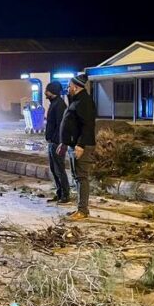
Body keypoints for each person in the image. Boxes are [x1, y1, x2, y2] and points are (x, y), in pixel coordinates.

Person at [58, 75, 96, 221]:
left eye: (69, 86)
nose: (68, 88)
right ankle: (80, 208)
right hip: (74, 144)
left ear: (75, 87)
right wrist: (65, 142)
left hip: (82, 146)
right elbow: (70, 123)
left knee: (81, 177)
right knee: (77, 176)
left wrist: (81, 145)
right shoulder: (76, 101)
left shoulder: (84, 102)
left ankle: (83, 210)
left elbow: (87, 125)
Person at [43, 82, 69, 203]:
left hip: (57, 143)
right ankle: (59, 193)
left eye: (47, 91)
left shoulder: (59, 105)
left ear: (52, 91)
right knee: (54, 169)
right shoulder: (54, 103)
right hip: (52, 142)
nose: (45, 93)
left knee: (59, 169)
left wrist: (58, 142)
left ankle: (65, 195)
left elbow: (61, 126)